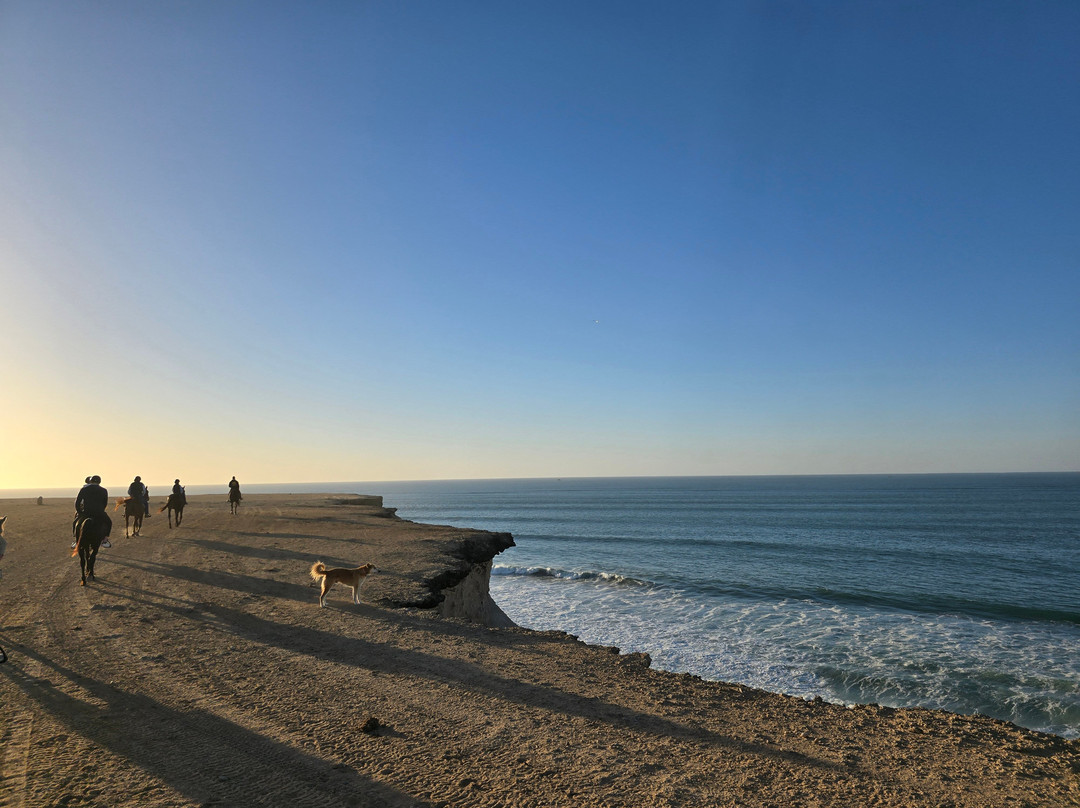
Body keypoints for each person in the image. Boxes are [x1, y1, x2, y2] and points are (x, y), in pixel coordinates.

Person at [74, 475, 112, 549]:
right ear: (99, 482)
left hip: (86, 512)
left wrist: (80, 512)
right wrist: (101, 511)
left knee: (76, 524)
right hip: (99, 513)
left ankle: (76, 541)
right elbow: (105, 503)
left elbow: (77, 502)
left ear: (91, 481)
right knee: (109, 522)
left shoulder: (84, 489)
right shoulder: (104, 490)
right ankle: (105, 540)